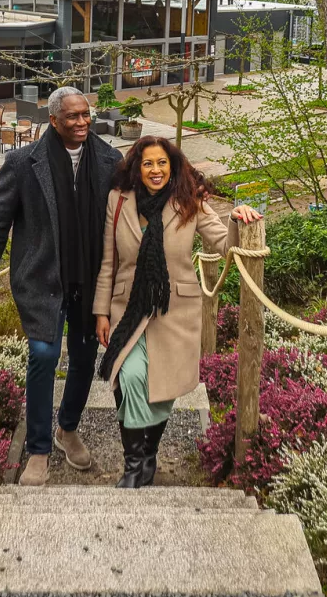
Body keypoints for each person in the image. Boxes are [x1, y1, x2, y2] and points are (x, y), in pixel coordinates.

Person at [0, 86, 120, 486]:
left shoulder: (109, 160)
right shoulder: (22, 163)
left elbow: (145, 196)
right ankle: (37, 448)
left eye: (86, 114)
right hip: (41, 279)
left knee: (86, 359)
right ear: (53, 120)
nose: (82, 122)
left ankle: (67, 429)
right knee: (43, 355)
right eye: (73, 116)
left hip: (90, 280)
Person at [94, 136, 262, 487]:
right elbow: (109, 260)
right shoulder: (118, 200)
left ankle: (148, 454)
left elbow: (225, 243)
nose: (155, 170)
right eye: (148, 164)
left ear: (172, 166)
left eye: (162, 163)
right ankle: (133, 464)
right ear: (137, 168)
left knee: (163, 388)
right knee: (130, 377)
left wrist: (237, 217)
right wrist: (101, 313)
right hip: (129, 309)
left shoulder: (190, 199)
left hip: (175, 310)